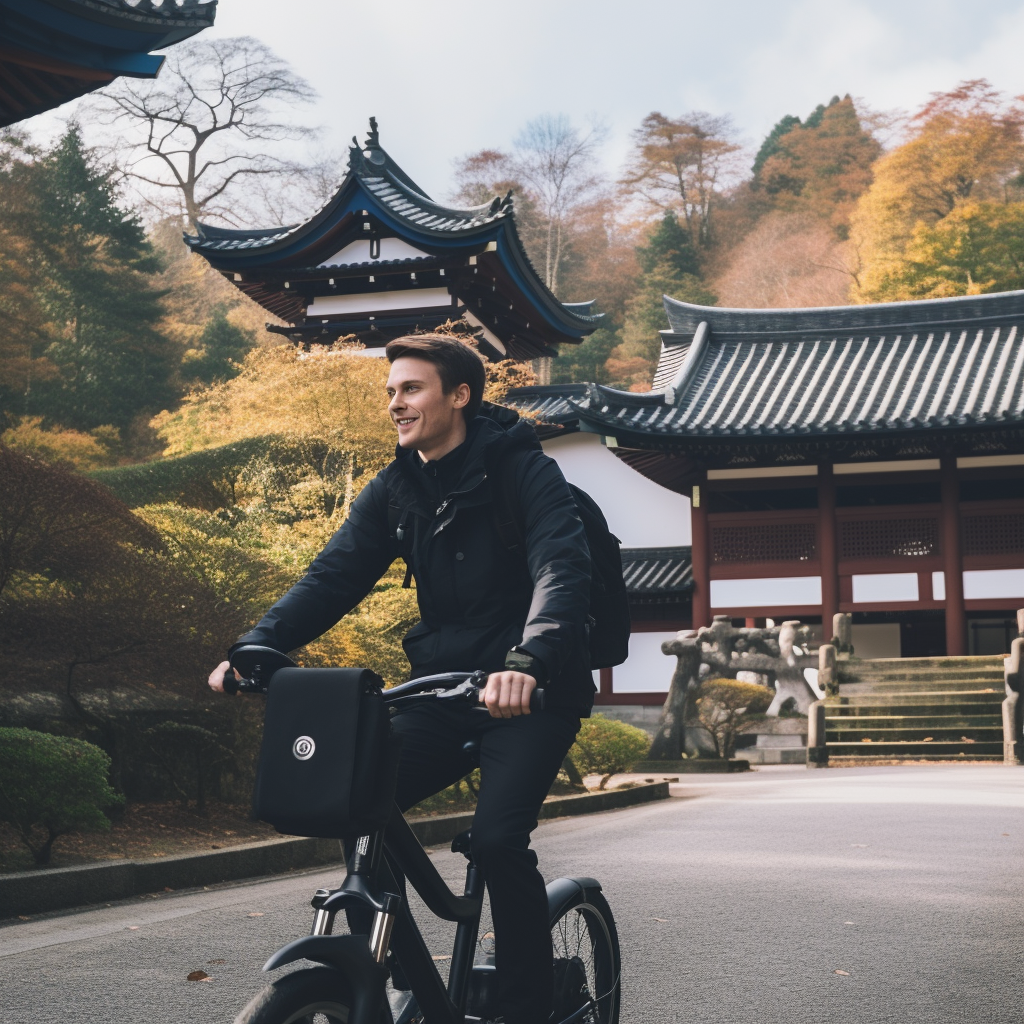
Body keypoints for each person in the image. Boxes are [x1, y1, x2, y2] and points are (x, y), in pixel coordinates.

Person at [208, 334, 593, 1023]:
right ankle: (383, 981)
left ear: (460, 395)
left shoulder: (523, 472)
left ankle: (527, 1010)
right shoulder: (397, 487)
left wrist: (528, 661)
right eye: (391, 391)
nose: (396, 403)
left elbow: (559, 569)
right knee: (358, 803)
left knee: (501, 841)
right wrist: (256, 647)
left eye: (410, 389)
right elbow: (333, 576)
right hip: (443, 691)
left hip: (530, 691)